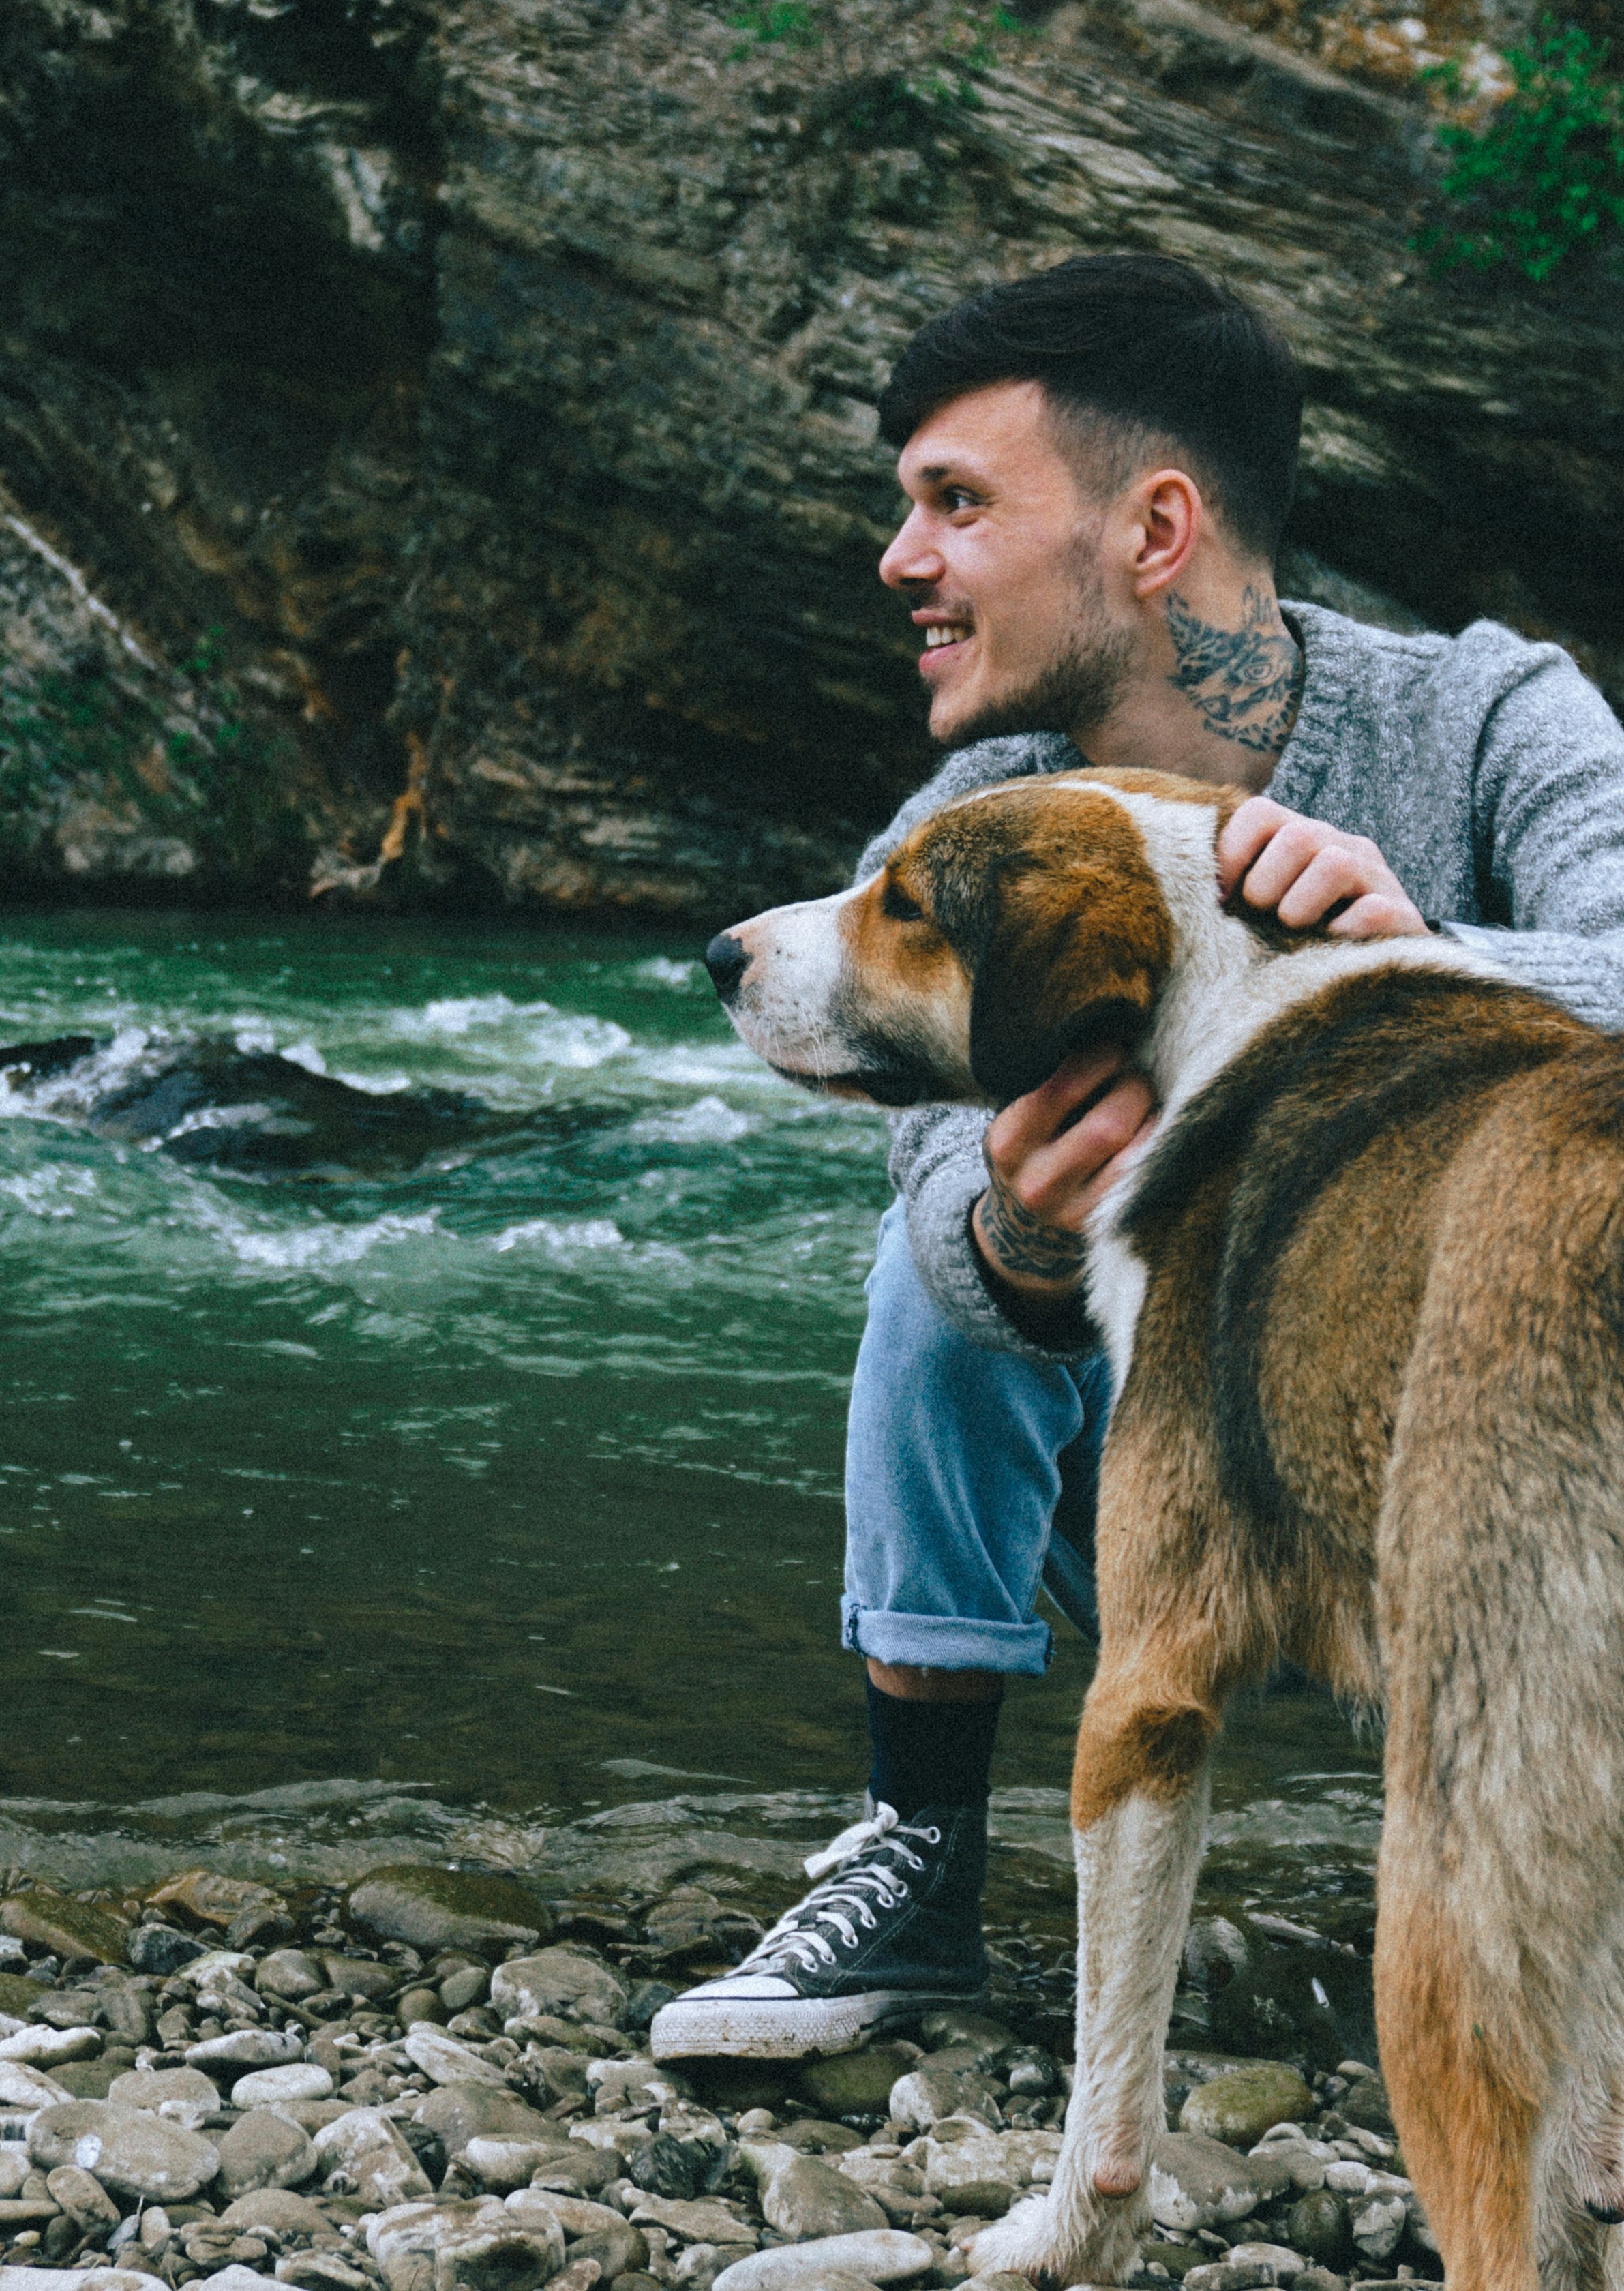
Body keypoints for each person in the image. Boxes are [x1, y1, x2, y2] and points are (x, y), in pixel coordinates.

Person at [653, 250, 1624, 2062]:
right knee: (940, 1244)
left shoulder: (1493, 720)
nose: (901, 560)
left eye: (956, 504)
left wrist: (1405, 978)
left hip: (1522, 1500)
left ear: (1154, 528)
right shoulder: (961, 836)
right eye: (906, 509)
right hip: (1170, 1503)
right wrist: (1024, 1224)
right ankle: (920, 1859)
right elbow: (933, 1225)